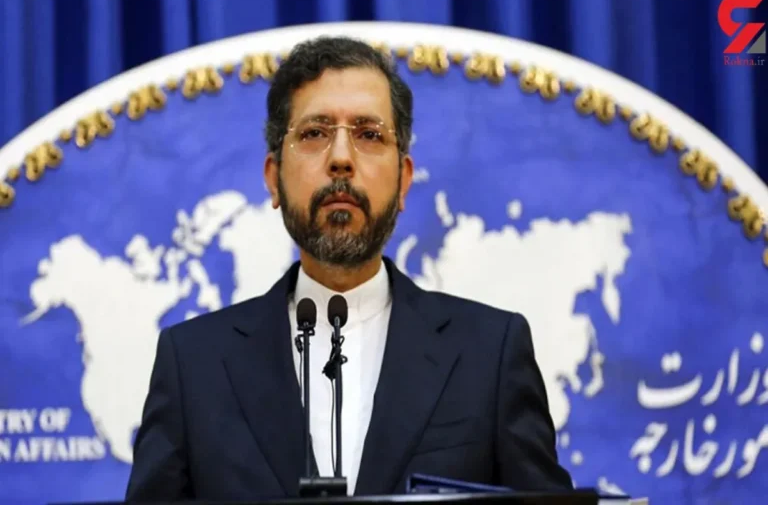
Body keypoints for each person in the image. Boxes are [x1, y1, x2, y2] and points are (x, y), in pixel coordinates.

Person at [126, 35, 573, 501]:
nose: (341, 158)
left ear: (403, 181)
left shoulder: (490, 355)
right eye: (314, 133)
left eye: (369, 134)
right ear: (274, 179)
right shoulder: (193, 365)